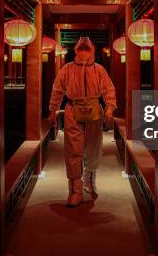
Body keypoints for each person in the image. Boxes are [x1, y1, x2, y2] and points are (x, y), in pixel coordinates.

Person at [47, 37, 117, 207]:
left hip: (94, 109)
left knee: (93, 147)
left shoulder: (99, 69)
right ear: (75, 50)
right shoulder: (67, 69)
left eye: (87, 46)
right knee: (73, 150)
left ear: (92, 50)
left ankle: (90, 177)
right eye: (81, 46)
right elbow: (57, 90)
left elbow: (109, 90)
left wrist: (109, 109)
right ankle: (75, 190)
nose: (84, 46)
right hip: (73, 110)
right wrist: (52, 110)